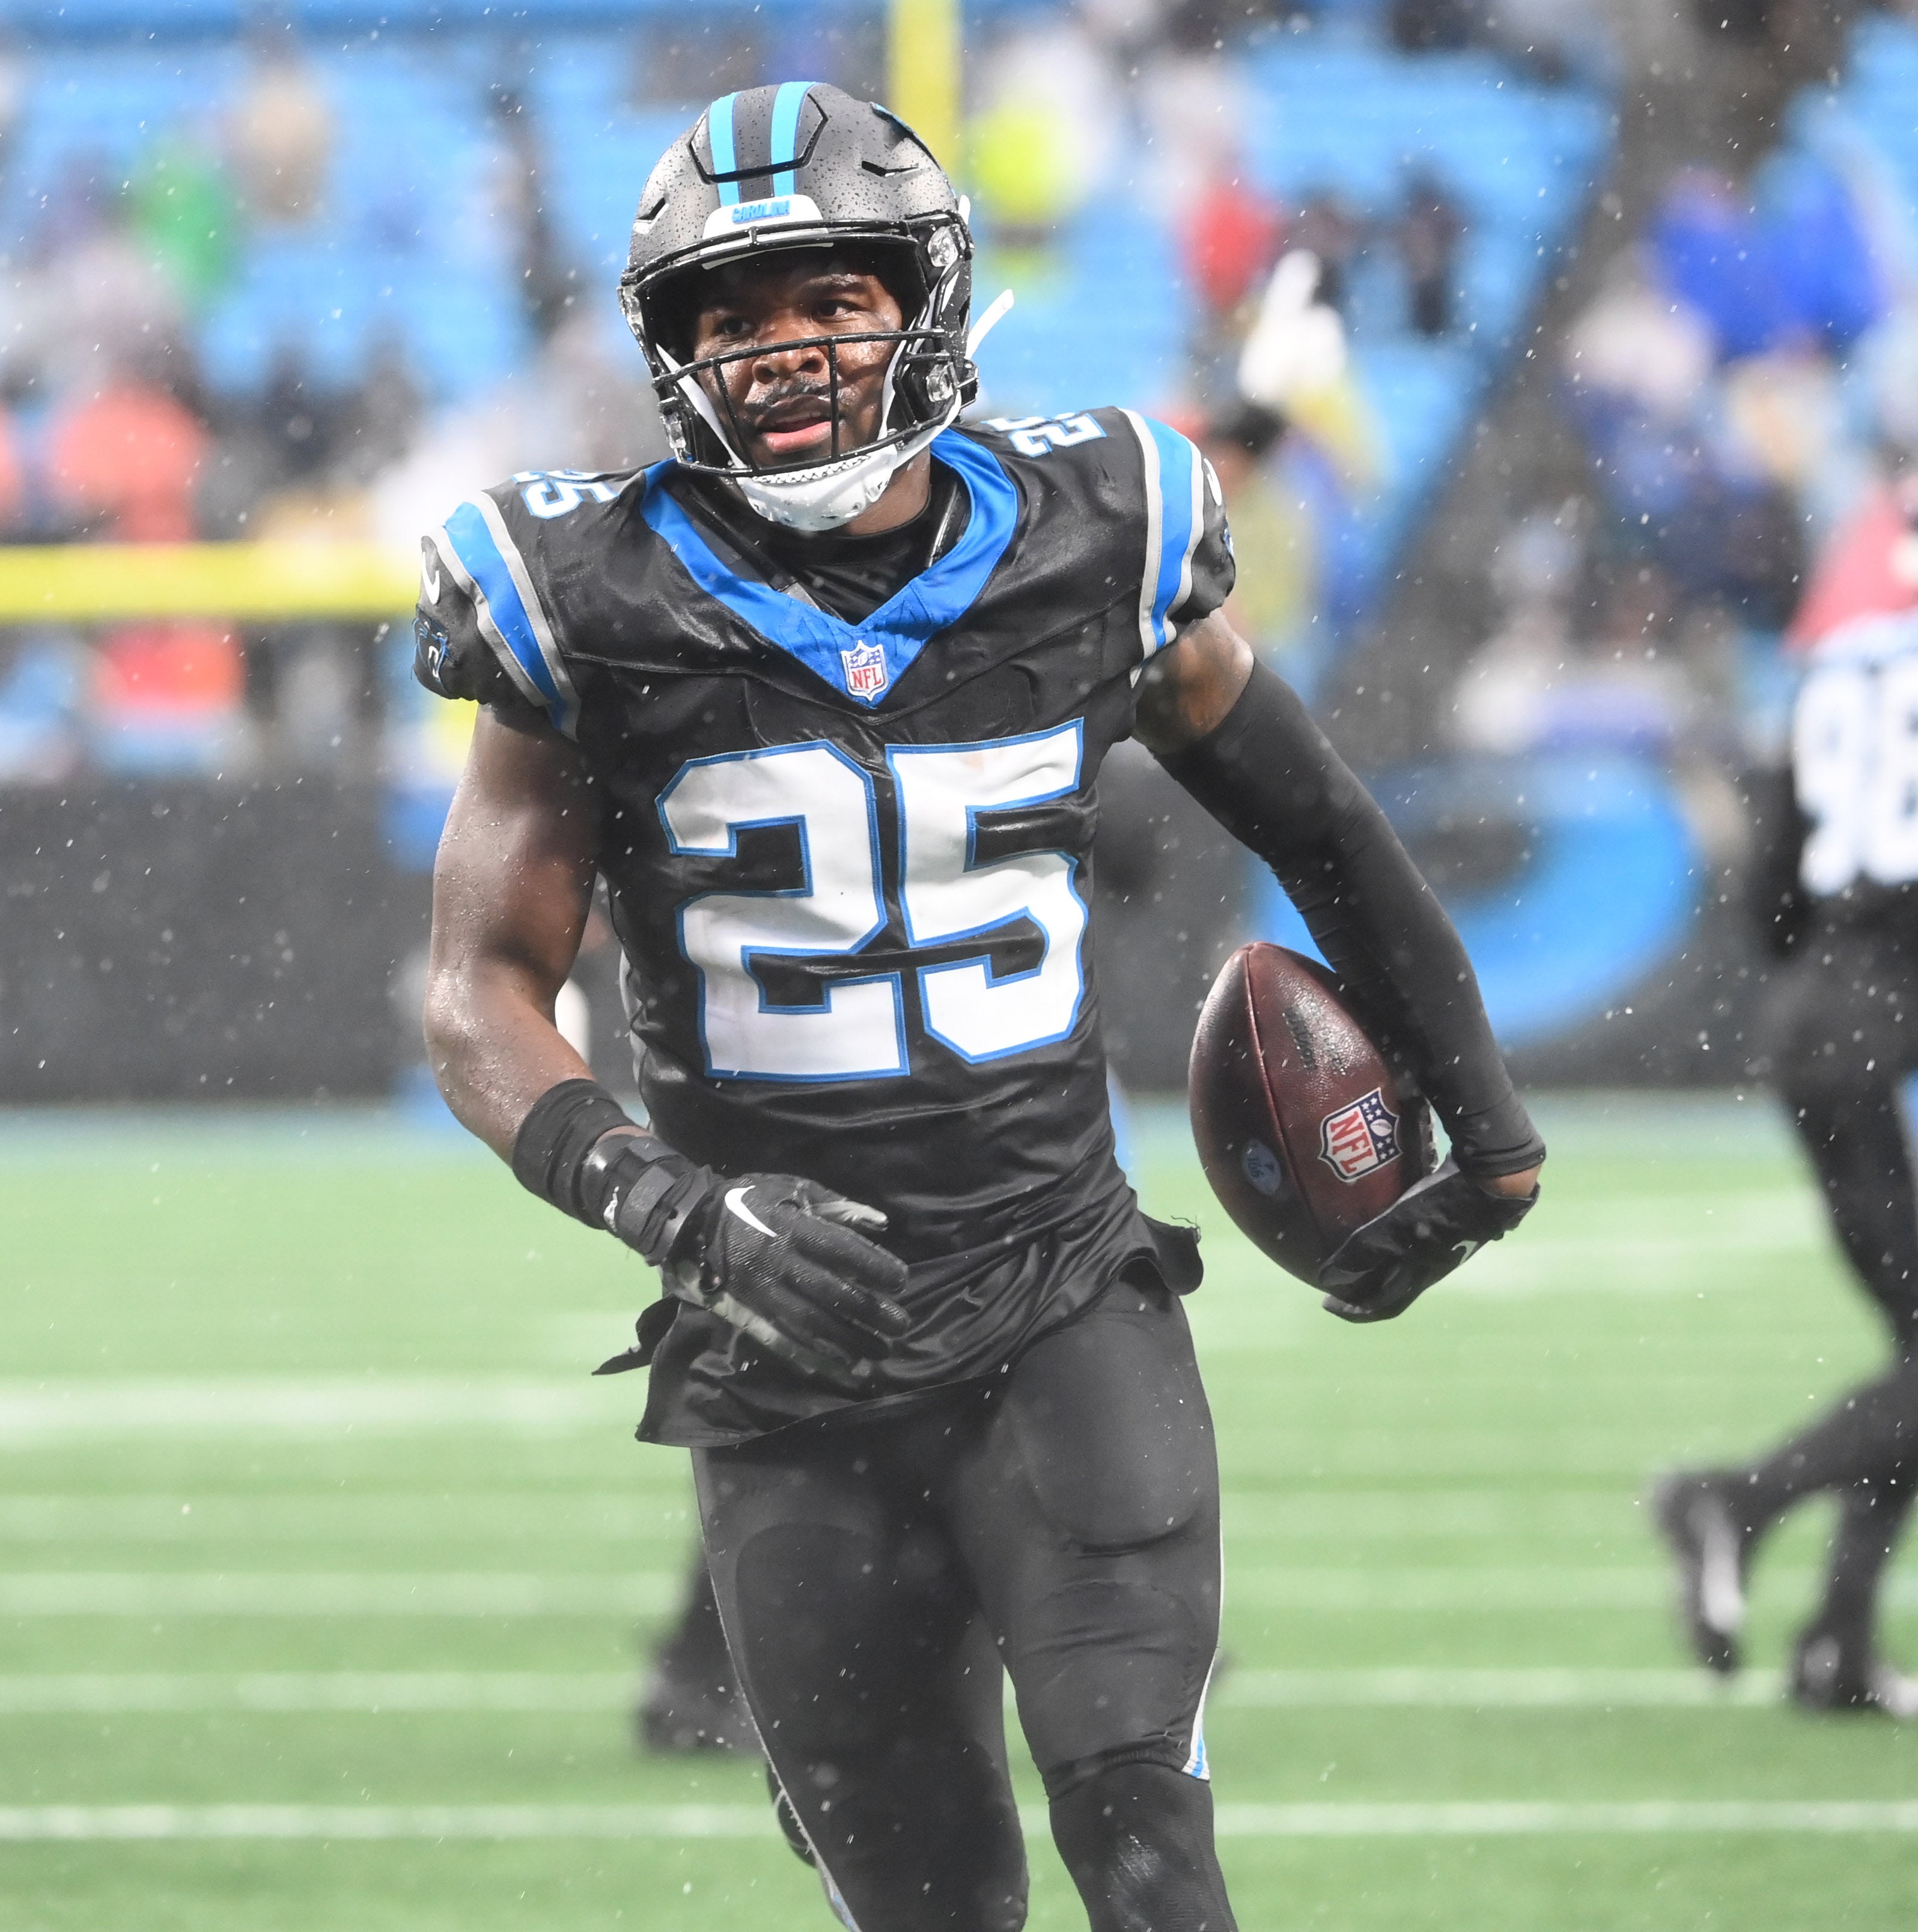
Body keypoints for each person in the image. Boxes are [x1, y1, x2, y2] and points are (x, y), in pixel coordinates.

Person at [416, 85, 1542, 1932]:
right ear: (666, 344)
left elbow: (1325, 825)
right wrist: (670, 1207)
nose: (782, 349)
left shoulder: (1098, 532)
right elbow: (475, 991)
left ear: (924, 299)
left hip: (1060, 1302)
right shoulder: (582, 596)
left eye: (829, 298)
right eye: (732, 310)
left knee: (1149, 1854)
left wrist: (1486, 1131)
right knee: (934, 1907)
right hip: (785, 1353)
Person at [1652, 422, 1918, 1719]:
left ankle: (1840, 1645)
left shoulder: (1833, 663)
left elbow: (1768, 897)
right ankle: (1734, 1503)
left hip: (1817, 1027)